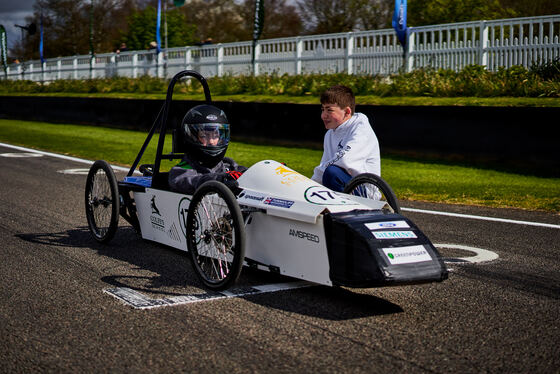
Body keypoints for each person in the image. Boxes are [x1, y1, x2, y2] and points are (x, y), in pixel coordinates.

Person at [311, 85, 380, 192]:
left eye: (329, 110)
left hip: (365, 190)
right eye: (322, 109)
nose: (323, 115)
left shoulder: (360, 127)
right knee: (328, 174)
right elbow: (324, 165)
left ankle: (345, 208)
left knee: (332, 173)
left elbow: (345, 161)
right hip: (345, 182)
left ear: (347, 112)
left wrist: (315, 179)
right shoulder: (329, 134)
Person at [169, 104, 246, 194]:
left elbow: (249, 173)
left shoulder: (229, 166)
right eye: (204, 136)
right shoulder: (180, 171)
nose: (211, 142)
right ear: (191, 137)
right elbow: (195, 181)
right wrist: (220, 180)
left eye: (215, 135)